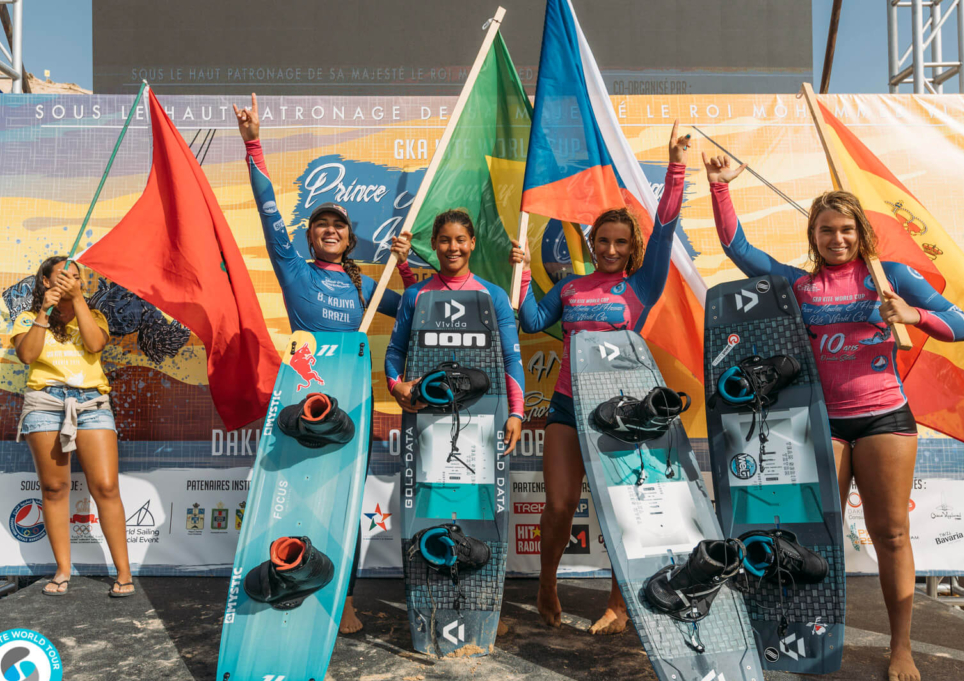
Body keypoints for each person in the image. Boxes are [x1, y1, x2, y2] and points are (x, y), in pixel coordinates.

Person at [704, 153, 964, 681]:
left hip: (885, 419)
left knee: (891, 533)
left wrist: (912, 314)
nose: (837, 239)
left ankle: (901, 646)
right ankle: (805, 634)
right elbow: (741, 251)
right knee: (811, 537)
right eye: (827, 230)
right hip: (825, 423)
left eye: (847, 229)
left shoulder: (888, 276)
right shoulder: (800, 288)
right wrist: (719, 188)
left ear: (861, 233)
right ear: (814, 235)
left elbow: (958, 324)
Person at [235, 94, 417, 634]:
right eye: (321, 224)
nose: (331, 229)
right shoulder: (294, 268)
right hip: (301, 393)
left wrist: (404, 268)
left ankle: (345, 599)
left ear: (350, 237)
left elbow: (408, 307)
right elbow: (270, 215)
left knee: (343, 502)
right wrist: (253, 145)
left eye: (339, 225)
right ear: (310, 236)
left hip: (352, 398)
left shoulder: (363, 282)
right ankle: (285, 576)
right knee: (288, 492)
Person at [510, 122, 691, 634]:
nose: (610, 249)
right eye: (602, 241)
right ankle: (547, 581)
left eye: (618, 242)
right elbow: (529, 321)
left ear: (629, 246)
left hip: (625, 417)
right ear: (591, 243)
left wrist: (675, 166)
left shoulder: (642, 285)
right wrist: (523, 275)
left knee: (622, 509)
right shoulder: (570, 288)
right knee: (561, 505)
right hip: (569, 407)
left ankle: (618, 602)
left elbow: (666, 230)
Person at [11, 257, 134, 598]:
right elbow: (27, 356)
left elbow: (95, 345)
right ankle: (63, 570)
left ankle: (123, 573)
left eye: (76, 278)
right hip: (45, 404)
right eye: (64, 277)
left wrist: (78, 299)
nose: (71, 281)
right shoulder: (26, 317)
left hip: (92, 403)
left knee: (106, 486)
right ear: (46, 282)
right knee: (54, 488)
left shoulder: (93, 315)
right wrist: (43, 313)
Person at [385, 209, 526, 453]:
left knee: (477, 491)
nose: (453, 247)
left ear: (472, 243)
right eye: (444, 240)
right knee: (427, 489)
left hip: (484, 409)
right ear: (433, 244)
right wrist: (396, 386)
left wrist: (516, 413)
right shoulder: (414, 295)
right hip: (427, 407)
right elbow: (396, 349)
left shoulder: (494, 295)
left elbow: (511, 357)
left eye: (460, 240)